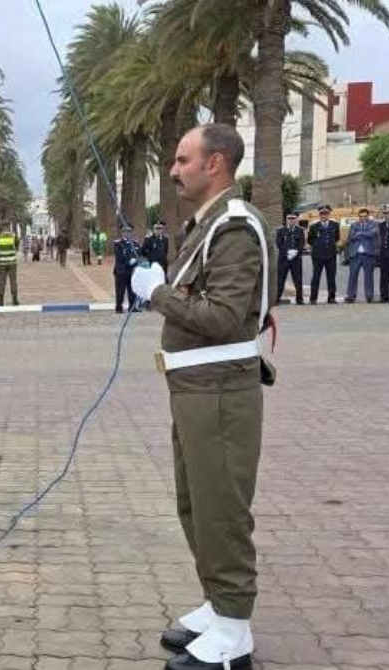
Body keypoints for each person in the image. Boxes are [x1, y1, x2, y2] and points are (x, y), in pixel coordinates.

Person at [131, 123, 276, 670]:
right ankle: (219, 606)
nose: (173, 170)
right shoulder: (210, 224)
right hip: (195, 389)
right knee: (195, 504)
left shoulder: (234, 226)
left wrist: (157, 293)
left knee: (221, 511)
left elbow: (222, 317)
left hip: (218, 392)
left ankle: (235, 631)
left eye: (182, 160)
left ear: (215, 164)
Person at [345, 207, 380, 303]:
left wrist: (359, 233)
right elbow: (351, 237)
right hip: (355, 254)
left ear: (368, 216)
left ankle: (369, 296)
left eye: (364, 216)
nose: (362, 218)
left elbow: (372, 234)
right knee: (352, 276)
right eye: (361, 216)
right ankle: (351, 296)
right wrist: (364, 234)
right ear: (358, 217)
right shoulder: (354, 225)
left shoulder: (374, 224)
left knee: (368, 276)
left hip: (368, 254)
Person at [307, 205, 340, 304]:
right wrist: (318, 246)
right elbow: (310, 240)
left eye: (326, 214)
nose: (324, 216)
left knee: (331, 277)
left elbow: (336, 238)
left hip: (331, 255)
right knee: (316, 277)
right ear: (319, 215)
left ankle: (331, 298)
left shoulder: (335, 225)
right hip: (318, 256)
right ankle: (313, 298)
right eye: (322, 214)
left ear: (329, 214)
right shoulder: (314, 227)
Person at [275, 212, 305, 305]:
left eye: (293, 218)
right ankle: (276, 298)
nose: (291, 220)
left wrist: (296, 251)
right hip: (284, 259)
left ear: (296, 220)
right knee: (280, 279)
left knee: (298, 279)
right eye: (289, 218)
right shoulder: (281, 230)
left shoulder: (300, 230)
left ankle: (299, 299)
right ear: (286, 220)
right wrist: (287, 252)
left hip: (296, 259)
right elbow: (278, 243)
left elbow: (302, 243)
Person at [113, 225, 140, 313]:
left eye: (129, 231)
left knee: (132, 290)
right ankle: (119, 307)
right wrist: (129, 261)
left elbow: (138, 254)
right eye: (124, 231)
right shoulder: (118, 244)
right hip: (121, 271)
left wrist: (135, 260)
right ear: (122, 232)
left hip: (132, 271)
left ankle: (132, 307)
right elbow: (119, 256)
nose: (127, 233)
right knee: (120, 290)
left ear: (131, 232)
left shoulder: (136, 244)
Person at [0, 225, 19, 306]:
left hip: (2, 263)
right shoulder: (13, 236)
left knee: (2, 281)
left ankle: (1, 299)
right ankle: (14, 299)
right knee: (13, 281)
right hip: (12, 262)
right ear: (9, 227)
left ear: (2, 228)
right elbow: (17, 247)